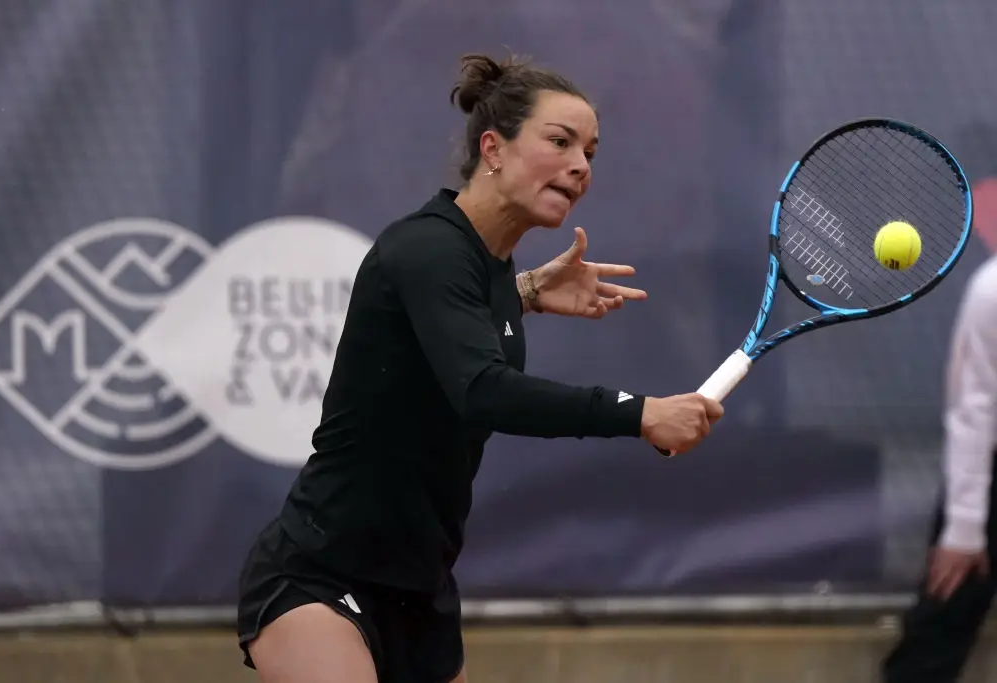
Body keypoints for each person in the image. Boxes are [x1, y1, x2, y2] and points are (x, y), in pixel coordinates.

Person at [236, 52, 725, 683]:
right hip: (319, 575)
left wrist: (519, 292)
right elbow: (483, 391)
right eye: (560, 142)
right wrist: (641, 413)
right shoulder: (429, 248)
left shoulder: (483, 267)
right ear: (492, 148)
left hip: (420, 591)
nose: (580, 166)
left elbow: (454, 325)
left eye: (591, 153)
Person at [881, 253, 997, 683]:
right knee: (937, 633)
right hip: (987, 486)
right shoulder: (992, 289)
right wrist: (966, 528)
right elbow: (974, 407)